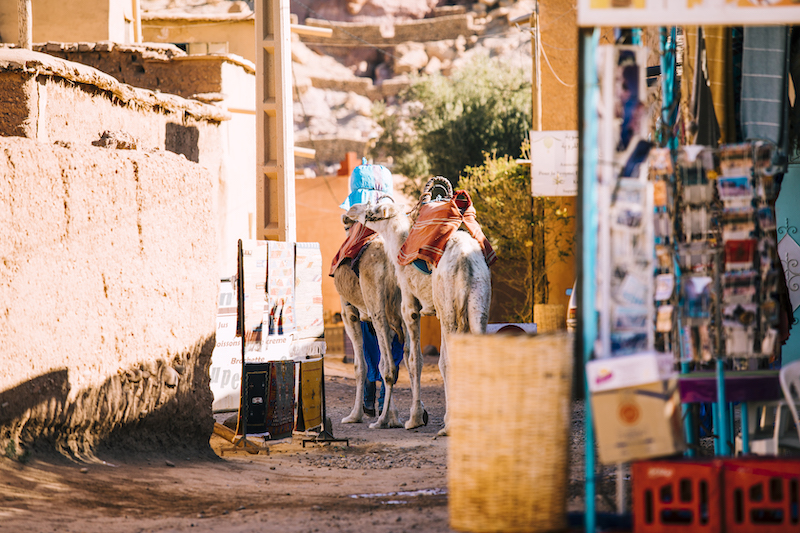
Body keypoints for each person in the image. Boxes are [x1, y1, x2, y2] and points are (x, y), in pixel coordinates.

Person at [360, 321, 404, 416]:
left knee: (370, 358)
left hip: (370, 321)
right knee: (388, 358)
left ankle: (370, 403)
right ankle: (383, 404)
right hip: (392, 321)